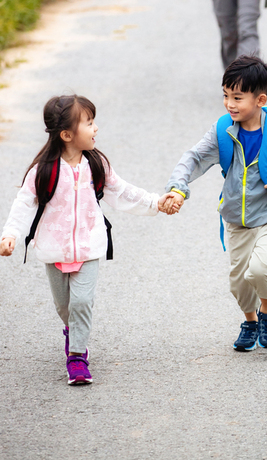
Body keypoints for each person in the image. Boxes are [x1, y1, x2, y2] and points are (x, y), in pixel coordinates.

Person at [0, 94, 179, 385]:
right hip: (54, 247)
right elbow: (24, 203)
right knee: (65, 307)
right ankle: (74, 330)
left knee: (81, 302)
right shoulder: (44, 170)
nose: (96, 129)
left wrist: (156, 202)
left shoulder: (96, 165)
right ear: (67, 134)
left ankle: (77, 357)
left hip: (89, 245)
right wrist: (10, 234)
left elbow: (122, 192)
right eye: (90, 123)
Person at [162, 56, 267, 351]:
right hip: (236, 219)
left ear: (260, 99)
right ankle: (250, 321)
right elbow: (194, 157)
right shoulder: (223, 129)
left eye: (237, 97)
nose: (229, 104)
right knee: (238, 283)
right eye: (226, 95)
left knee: (260, 270)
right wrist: (177, 188)